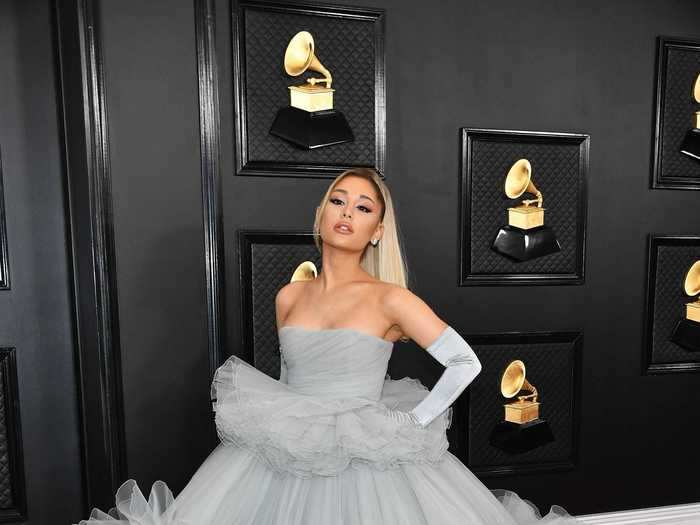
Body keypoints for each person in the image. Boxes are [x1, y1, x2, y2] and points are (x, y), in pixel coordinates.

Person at [75, 168, 581, 524]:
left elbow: (464, 362)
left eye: (363, 207)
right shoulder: (289, 294)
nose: (347, 212)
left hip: (365, 448)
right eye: (338, 201)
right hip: (288, 447)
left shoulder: (391, 299)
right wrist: (283, 426)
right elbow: (289, 373)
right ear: (321, 215)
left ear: (377, 230)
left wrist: (416, 419)